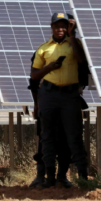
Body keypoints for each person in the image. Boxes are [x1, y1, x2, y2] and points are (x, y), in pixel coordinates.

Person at [30, 12, 89, 188]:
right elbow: (34, 76)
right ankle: (48, 178)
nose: (60, 29)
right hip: (49, 95)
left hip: (70, 96)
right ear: (52, 28)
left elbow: (82, 61)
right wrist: (49, 68)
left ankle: (82, 179)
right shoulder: (43, 49)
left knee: (73, 136)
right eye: (57, 26)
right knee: (47, 137)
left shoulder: (76, 45)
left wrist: (73, 35)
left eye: (64, 26)